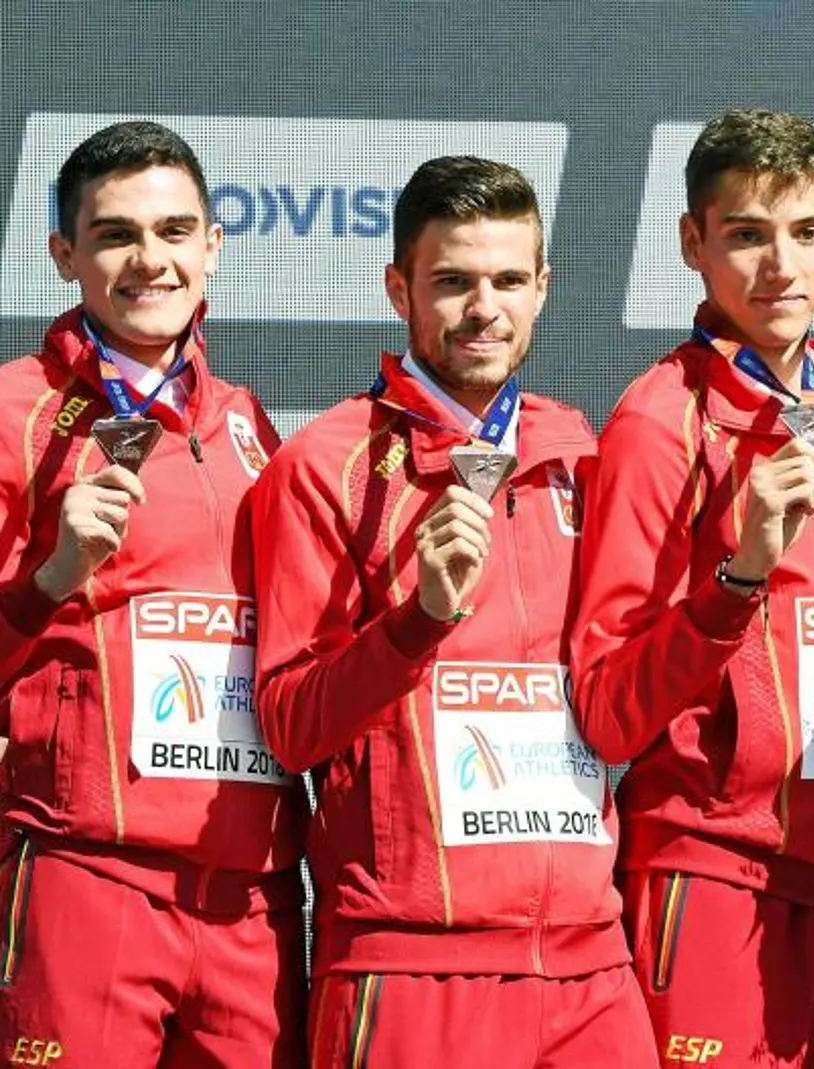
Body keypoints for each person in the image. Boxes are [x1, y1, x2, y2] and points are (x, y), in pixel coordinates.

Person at [251, 155, 653, 1068]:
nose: (484, 309)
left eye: (510, 280)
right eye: (453, 282)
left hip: (593, 964)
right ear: (400, 287)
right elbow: (288, 725)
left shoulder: (580, 453)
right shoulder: (328, 466)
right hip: (413, 964)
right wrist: (417, 619)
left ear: (544, 286)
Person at [570, 108, 814, 1069]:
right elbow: (605, 707)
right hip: (708, 872)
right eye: (747, 235)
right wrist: (738, 576)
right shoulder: (657, 423)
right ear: (693, 243)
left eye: (803, 231)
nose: (779, 265)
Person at [0, 120, 306, 1069]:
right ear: (64, 255)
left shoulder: (253, 424)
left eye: (176, 231)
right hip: (89, 875)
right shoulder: (15, 413)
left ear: (213, 244)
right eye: (116, 234)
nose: (151, 260)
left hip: (251, 893)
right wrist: (50, 573)